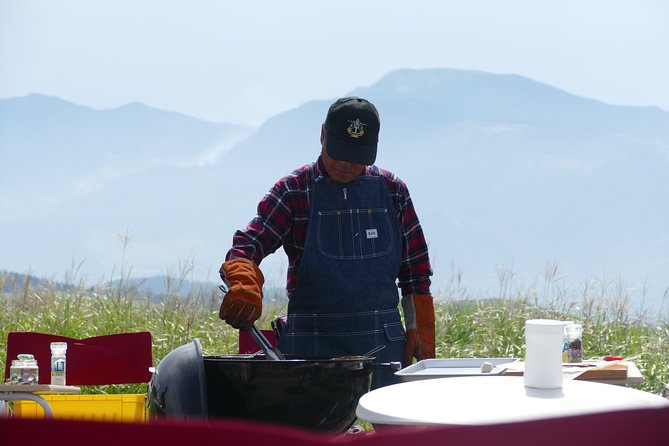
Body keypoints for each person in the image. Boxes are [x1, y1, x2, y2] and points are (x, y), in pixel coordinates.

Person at [218, 96, 435, 388]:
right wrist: (243, 281)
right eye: (340, 152)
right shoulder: (293, 191)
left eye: (357, 156)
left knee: (387, 433)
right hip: (310, 351)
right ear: (322, 136)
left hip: (383, 350)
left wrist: (419, 333)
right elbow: (248, 245)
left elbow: (416, 272)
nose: (346, 164)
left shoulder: (393, 191)